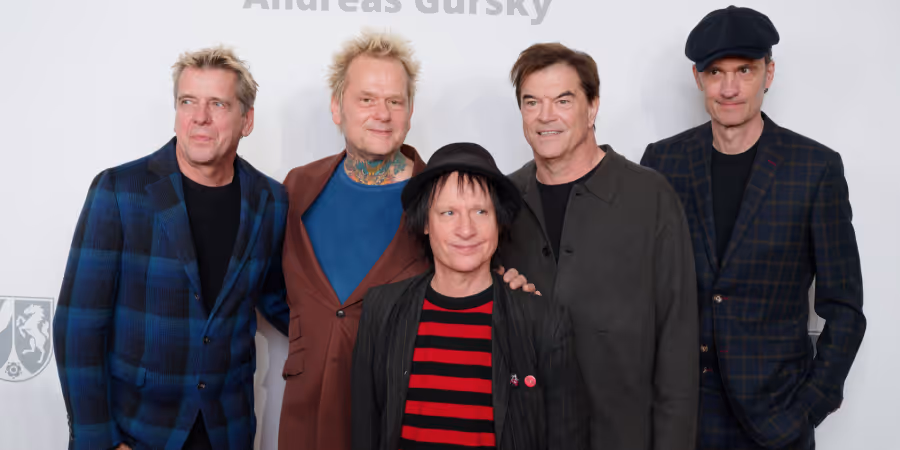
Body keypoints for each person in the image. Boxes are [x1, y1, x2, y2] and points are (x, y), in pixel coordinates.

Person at [278, 30, 532, 450]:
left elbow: (483, 277)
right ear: (337, 107)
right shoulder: (298, 186)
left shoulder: (443, 199)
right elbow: (275, 285)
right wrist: (313, 335)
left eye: (395, 101)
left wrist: (512, 283)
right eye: (367, 99)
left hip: (402, 406)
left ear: (410, 112)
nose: (382, 113)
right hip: (309, 405)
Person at [640, 6, 866, 450]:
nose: (729, 88)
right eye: (716, 72)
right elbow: (637, 284)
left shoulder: (814, 168)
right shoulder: (662, 162)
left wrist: (810, 405)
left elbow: (845, 306)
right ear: (697, 78)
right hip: (680, 415)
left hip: (776, 418)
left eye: (744, 70)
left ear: (768, 74)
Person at [53, 46, 290, 450]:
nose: (200, 117)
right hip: (136, 431)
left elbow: (277, 299)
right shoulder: (119, 191)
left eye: (218, 104)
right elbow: (77, 328)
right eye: (188, 102)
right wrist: (103, 441)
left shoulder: (270, 200)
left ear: (246, 120)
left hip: (227, 431)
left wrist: (354, 332)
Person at [499, 43, 699, 450]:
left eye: (563, 100)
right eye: (532, 102)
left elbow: (678, 342)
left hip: (624, 435)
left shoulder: (649, 195)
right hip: (528, 433)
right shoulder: (501, 200)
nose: (545, 115)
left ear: (592, 109)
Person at [351, 142, 589, 450]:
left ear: (498, 221)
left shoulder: (544, 321)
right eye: (448, 212)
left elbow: (568, 438)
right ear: (426, 223)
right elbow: (365, 430)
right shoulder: (382, 310)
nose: (466, 230)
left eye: (480, 211)